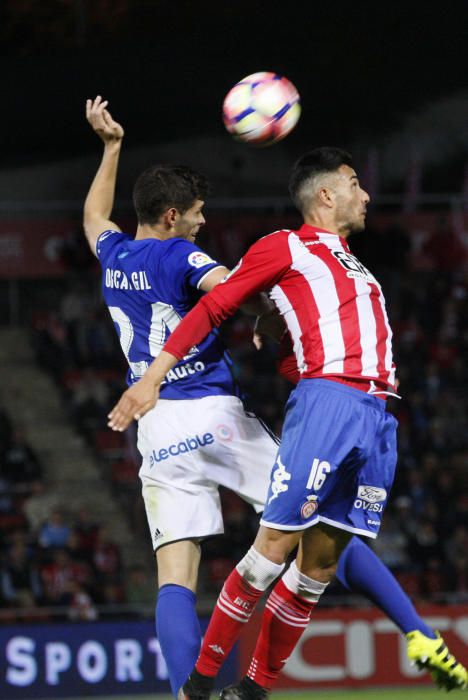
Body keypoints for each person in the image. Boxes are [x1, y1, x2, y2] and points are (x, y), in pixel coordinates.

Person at [107, 146, 467, 699]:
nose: (366, 193)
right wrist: (157, 372)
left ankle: (238, 692)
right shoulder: (265, 247)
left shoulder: (115, 253)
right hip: (260, 406)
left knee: (311, 562)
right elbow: (218, 297)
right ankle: (204, 683)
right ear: (325, 194)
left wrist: (110, 149)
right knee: (276, 543)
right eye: (354, 182)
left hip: (368, 417)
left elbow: (93, 220)